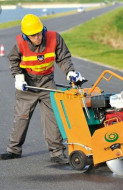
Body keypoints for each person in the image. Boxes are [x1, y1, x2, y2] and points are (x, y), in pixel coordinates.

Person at [0, 14, 84, 164]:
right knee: (21, 117)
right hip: (27, 84)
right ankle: (13, 150)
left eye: (39, 33)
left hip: (47, 83)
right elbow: (13, 60)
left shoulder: (54, 38)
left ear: (43, 29)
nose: (37, 37)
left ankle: (57, 153)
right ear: (26, 36)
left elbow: (63, 58)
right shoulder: (20, 43)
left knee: (52, 118)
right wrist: (18, 77)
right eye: (33, 35)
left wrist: (70, 72)